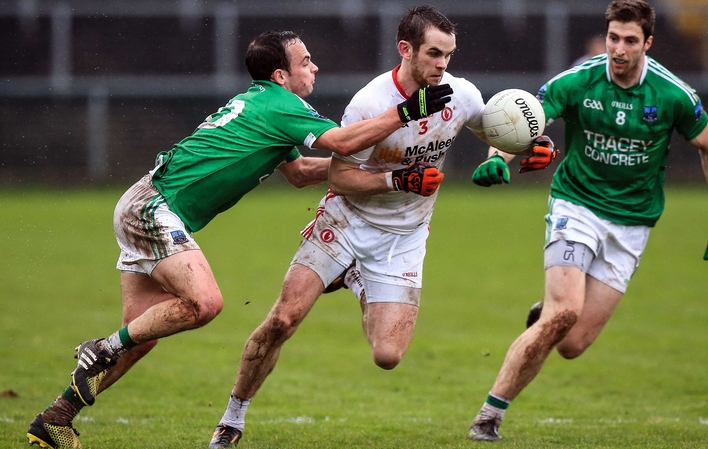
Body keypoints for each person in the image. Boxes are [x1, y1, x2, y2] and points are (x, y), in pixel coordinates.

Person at [25, 30, 452, 449]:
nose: (315, 67)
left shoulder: (263, 105)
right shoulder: (283, 104)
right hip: (152, 209)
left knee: (142, 336)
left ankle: (55, 419)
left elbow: (300, 173)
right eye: (305, 62)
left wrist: (378, 169)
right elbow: (340, 142)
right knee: (204, 303)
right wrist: (404, 113)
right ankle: (101, 348)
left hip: (144, 204)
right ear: (281, 75)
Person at [206, 5, 557, 448]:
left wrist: (531, 148)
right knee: (283, 318)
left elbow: (500, 132)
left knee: (388, 356)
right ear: (405, 49)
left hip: (404, 236)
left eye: (448, 54)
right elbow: (339, 177)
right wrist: (400, 179)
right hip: (346, 219)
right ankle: (232, 419)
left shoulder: (461, 93)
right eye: (433, 54)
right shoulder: (370, 103)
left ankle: (354, 278)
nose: (442, 64)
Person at [467, 0, 708, 441]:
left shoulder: (672, 94)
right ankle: (488, 416)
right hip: (576, 206)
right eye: (613, 38)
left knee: (571, 344)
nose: (619, 49)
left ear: (648, 43)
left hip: (632, 225)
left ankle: (547, 313)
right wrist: (497, 157)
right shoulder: (578, 80)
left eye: (630, 40)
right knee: (564, 312)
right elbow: (524, 119)